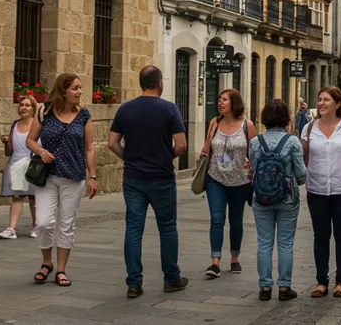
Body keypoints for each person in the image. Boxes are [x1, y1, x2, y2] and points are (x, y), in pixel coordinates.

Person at [108, 65, 189, 297]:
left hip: (133, 177)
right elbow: (181, 144)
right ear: (160, 83)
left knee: (133, 229)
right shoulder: (169, 109)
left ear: (141, 84)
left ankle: (134, 283)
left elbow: (112, 142)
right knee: (167, 228)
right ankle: (171, 278)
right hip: (162, 177)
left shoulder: (125, 109)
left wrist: (130, 158)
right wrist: (165, 157)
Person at [27, 73, 97, 288]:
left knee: (66, 225)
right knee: (43, 222)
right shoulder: (45, 112)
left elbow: (89, 147)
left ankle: (61, 269)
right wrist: (41, 151)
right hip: (47, 175)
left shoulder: (84, 115)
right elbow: (30, 139)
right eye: (75, 88)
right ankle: (46, 263)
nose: (79, 92)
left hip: (73, 177)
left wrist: (92, 176)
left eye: (79, 88)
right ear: (63, 90)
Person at [301, 87, 341, 299]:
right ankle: (321, 281)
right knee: (320, 236)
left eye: (326, 100)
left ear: (337, 104)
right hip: (317, 189)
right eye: (319, 99)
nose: (320, 103)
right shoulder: (309, 128)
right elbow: (304, 158)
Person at [250, 99, 306, 302]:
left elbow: (254, 171)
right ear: (286, 118)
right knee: (285, 243)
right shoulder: (292, 142)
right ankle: (284, 287)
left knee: (263, 242)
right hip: (287, 198)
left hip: (261, 197)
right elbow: (301, 175)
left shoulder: (256, 142)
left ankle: (265, 286)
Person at [199, 88, 255, 278]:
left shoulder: (247, 125)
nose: (220, 103)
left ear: (234, 103)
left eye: (225, 100)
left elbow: (255, 153)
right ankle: (215, 262)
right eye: (219, 99)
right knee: (217, 219)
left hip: (240, 180)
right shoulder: (214, 123)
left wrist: (251, 163)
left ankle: (234, 258)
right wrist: (204, 152)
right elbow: (207, 148)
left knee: (236, 221)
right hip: (216, 177)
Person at [0, 95, 38, 239]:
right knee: (17, 197)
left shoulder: (38, 125)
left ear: (34, 108)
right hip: (16, 166)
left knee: (34, 198)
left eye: (28, 105)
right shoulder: (15, 125)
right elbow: (9, 152)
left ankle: (37, 227)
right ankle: (11, 228)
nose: (24, 107)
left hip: (33, 166)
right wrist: (6, 143)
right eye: (21, 105)